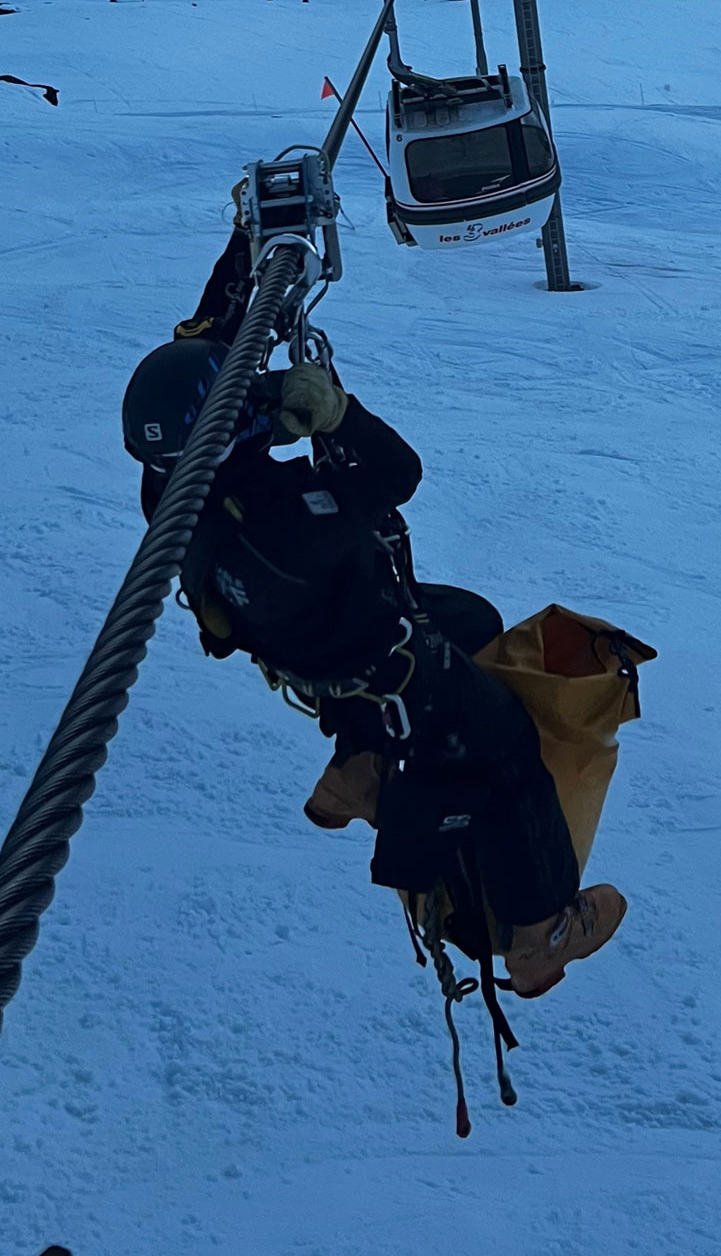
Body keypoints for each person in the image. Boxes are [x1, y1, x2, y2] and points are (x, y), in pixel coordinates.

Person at [122, 228, 626, 1000]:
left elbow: (208, 343)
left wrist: (245, 244)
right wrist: (334, 418)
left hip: (316, 637)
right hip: (380, 662)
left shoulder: (173, 492)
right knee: (505, 753)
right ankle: (537, 930)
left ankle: (360, 767)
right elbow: (397, 474)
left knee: (475, 620)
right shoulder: (292, 523)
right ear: (221, 435)